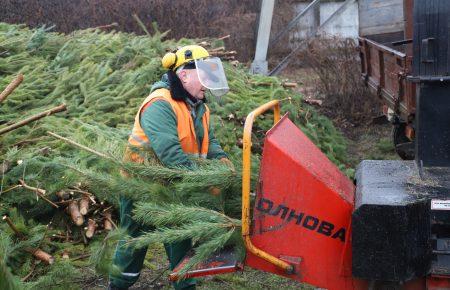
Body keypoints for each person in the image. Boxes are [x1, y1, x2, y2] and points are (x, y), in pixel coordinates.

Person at [108, 45, 232, 290]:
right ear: (184, 74)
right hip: (141, 188)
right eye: (202, 74)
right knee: (134, 241)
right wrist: (209, 182)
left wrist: (222, 163)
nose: (207, 84)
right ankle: (118, 284)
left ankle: (186, 285)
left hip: (175, 185)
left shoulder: (199, 106)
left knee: (180, 239)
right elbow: (172, 156)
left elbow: (210, 141)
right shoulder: (159, 104)